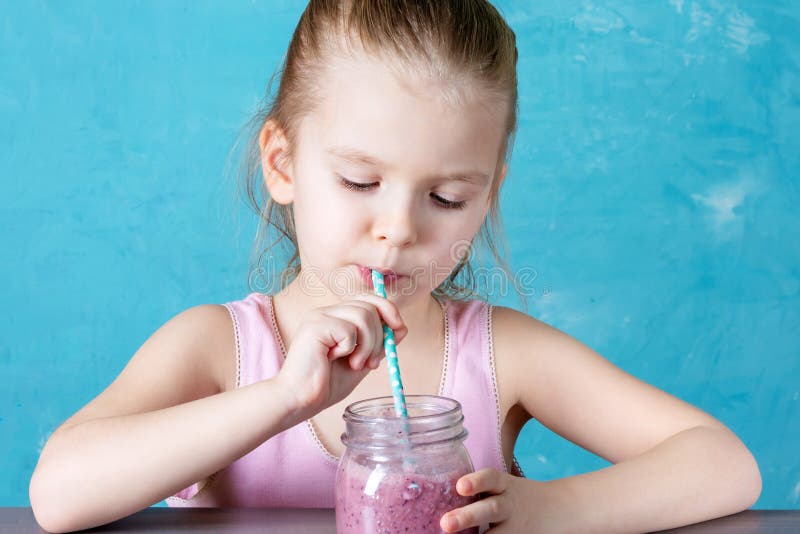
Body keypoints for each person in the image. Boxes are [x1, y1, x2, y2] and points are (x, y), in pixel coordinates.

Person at [29, 1, 762, 532]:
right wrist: (283, 397)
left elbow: (725, 465)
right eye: (359, 182)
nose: (399, 231)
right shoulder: (218, 350)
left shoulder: (501, 352)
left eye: (447, 197)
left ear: (488, 194)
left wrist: (553, 509)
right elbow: (58, 493)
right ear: (284, 165)